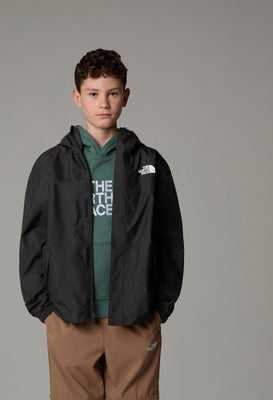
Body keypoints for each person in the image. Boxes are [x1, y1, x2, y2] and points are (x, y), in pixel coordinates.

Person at [19, 48, 184, 400]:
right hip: (70, 319)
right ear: (77, 97)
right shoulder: (51, 166)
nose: (103, 103)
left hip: (136, 316)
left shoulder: (149, 163)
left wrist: (159, 308)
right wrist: (46, 311)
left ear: (125, 96)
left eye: (112, 93)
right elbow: (33, 239)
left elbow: (170, 238)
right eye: (93, 94)